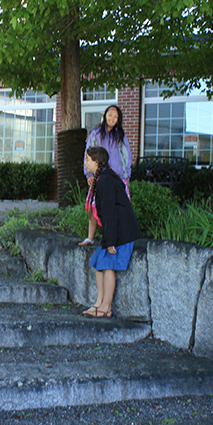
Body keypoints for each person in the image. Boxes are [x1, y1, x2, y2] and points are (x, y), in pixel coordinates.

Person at [82, 145, 141, 318]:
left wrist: (111, 241)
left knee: (108, 265)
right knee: (97, 261)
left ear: (97, 162)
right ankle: (99, 303)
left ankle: (106, 307)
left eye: (87, 160)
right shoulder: (102, 179)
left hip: (122, 234)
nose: (85, 163)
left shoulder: (106, 181)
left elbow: (110, 214)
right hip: (114, 232)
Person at [79, 104, 132, 246]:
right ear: (105, 116)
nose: (112, 118)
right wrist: (89, 174)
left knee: (117, 209)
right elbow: (88, 153)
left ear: (118, 120)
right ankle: (90, 238)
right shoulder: (96, 134)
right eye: (110, 115)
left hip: (117, 177)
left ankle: (118, 239)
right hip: (98, 176)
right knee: (92, 206)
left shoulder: (120, 136)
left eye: (115, 117)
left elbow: (126, 155)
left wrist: (126, 177)